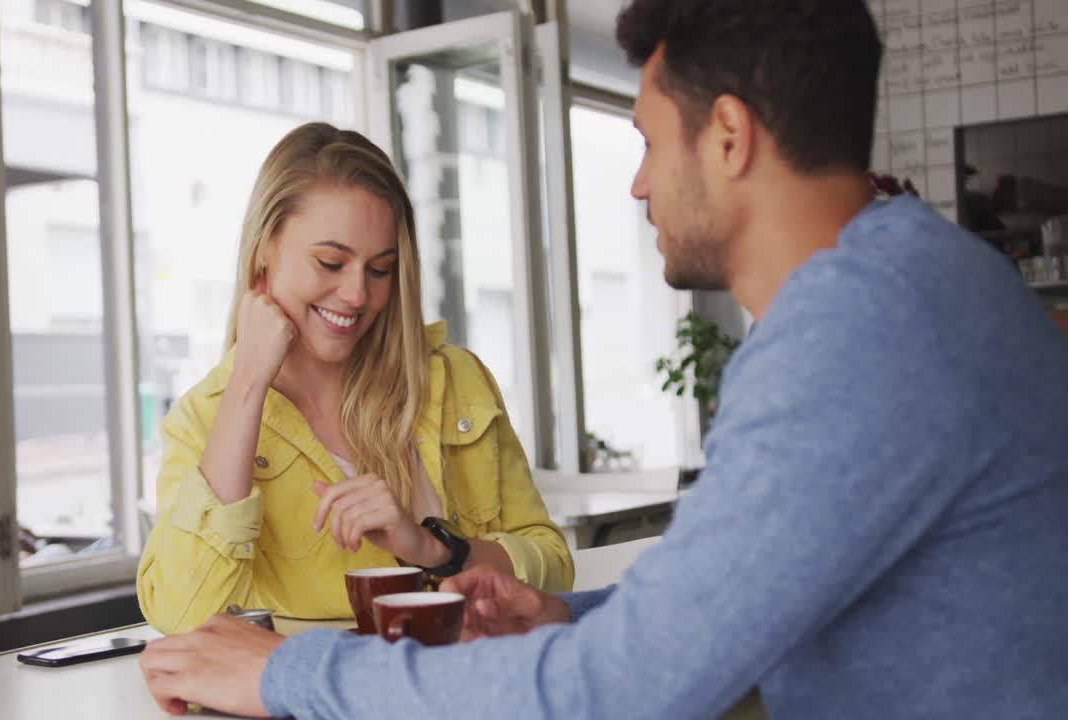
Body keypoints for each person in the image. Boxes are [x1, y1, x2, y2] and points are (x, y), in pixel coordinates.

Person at [139, 0, 1068, 717]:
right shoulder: (912, 282)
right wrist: (559, 618)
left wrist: (287, 674)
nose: (636, 182)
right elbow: (711, 621)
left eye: (649, 143)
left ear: (731, 138)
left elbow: (618, 692)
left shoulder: (857, 333)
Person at [136, 122, 573, 635]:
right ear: (264, 251)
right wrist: (249, 383)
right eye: (330, 262)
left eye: (380, 269)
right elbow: (182, 616)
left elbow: (554, 568)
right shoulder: (205, 418)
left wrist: (432, 548)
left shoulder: (455, 379)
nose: (357, 295)